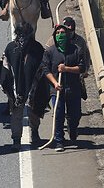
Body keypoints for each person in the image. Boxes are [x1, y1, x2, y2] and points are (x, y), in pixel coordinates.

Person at [0, 21, 50, 150]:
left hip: (34, 86)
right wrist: (8, 86)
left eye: (26, 34)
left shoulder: (37, 48)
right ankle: (16, 139)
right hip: (17, 88)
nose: (23, 37)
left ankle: (35, 133)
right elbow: (5, 68)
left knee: (34, 111)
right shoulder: (10, 48)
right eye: (21, 34)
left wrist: (41, 84)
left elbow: (43, 67)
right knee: (16, 114)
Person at [42, 22, 89, 151]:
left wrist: (66, 68)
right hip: (57, 90)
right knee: (58, 114)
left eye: (62, 33)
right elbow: (46, 69)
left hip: (73, 88)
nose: (60, 35)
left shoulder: (75, 50)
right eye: (57, 33)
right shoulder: (50, 52)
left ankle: (73, 128)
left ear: (67, 35)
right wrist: (55, 83)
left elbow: (82, 68)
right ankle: (59, 141)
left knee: (75, 114)